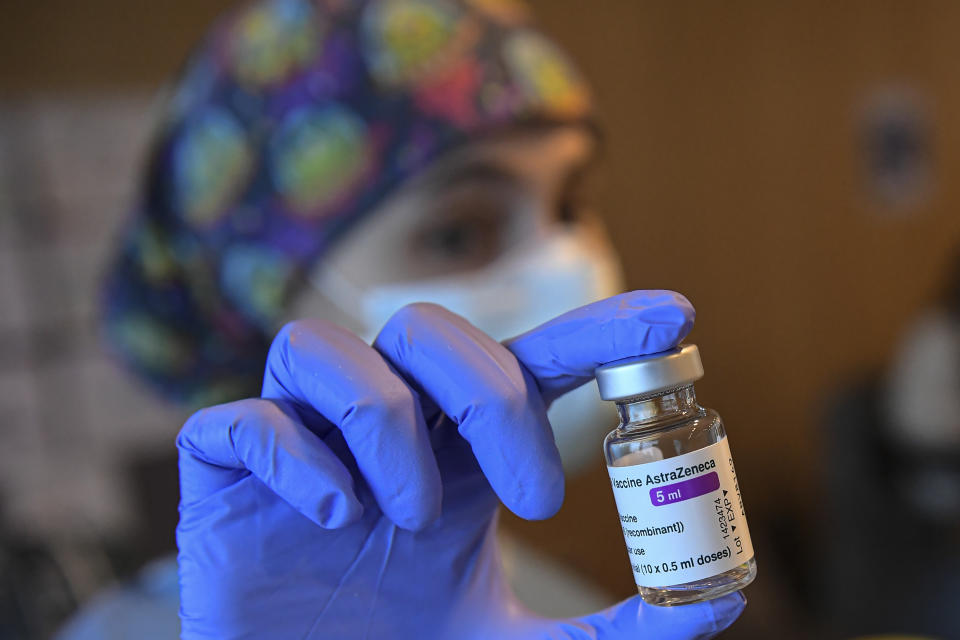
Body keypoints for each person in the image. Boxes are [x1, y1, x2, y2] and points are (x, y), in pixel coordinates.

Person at [58, 0, 747, 637]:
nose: (566, 266)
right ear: (263, 289)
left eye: (569, 204)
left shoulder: (537, 596)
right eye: (458, 232)